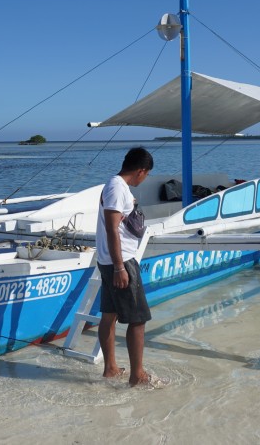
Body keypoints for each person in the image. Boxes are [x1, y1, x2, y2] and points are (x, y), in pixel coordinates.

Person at [95, 146, 159, 387]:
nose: (146, 178)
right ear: (141, 171)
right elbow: (112, 228)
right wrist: (121, 267)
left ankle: (111, 368)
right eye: (147, 174)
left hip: (110, 260)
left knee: (109, 315)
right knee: (138, 319)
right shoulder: (116, 188)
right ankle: (137, 375)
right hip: (120, 261)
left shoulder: (117, 187)